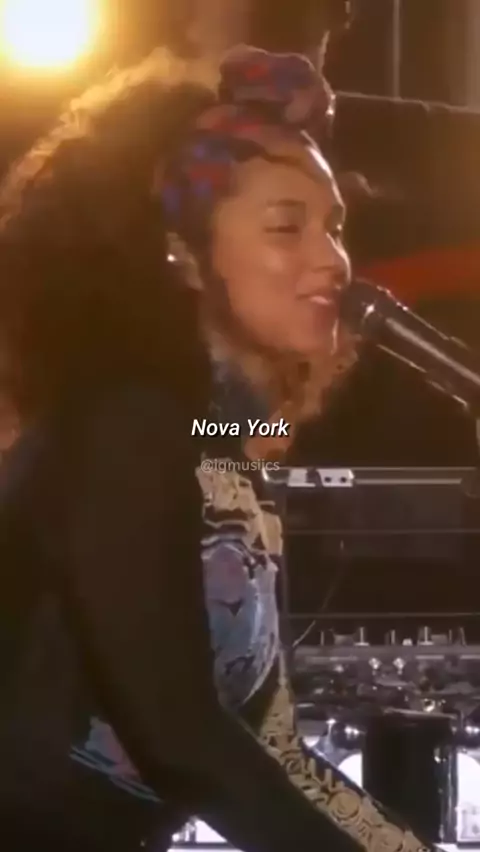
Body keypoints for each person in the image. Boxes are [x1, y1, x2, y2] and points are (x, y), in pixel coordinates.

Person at [0, 46, 433, 852]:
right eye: (286, 226)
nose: (333, 261)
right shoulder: (123, 429)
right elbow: (183, 740)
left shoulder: (206, 439)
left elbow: (272, 751)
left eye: (335, 226)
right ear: (181, 248)